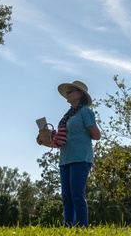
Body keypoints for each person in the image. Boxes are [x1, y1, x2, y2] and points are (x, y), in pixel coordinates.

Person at [41, 80, 101, 227]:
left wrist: (81, 132)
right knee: (67, 197)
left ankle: (82, 228)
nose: (67, 94)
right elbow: (62, 140)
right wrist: (46, 138)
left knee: (77, 195)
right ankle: (68, 226)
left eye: (70, 91)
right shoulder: (68, 115)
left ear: (80, 94)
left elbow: (96, 135)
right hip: (65, 158)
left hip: (81, 157)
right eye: (67, 92)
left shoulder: (85, 111)